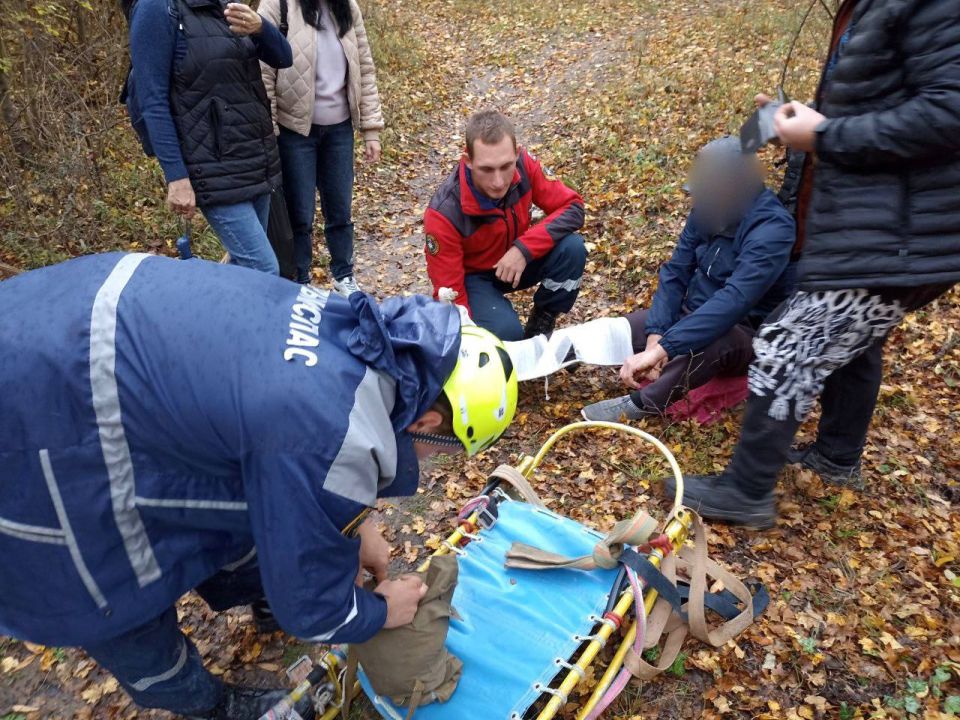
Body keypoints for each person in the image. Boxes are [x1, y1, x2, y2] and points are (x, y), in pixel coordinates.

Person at [0, 253, 517, 719]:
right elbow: (313, 608)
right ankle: (205, 703)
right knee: (105, 585)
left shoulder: (352, 327)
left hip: (56, 321)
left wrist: (361, 520)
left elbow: (280, 451)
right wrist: (380, 611)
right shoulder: (326, 434)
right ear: (428, 421)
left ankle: (256, 590)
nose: (432, 462)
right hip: (42, 428)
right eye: (444, 450)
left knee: (243, 495)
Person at [666, 0, 960, 529]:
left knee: (785, 340)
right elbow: (892, 101)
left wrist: (823, 134)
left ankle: (745, 490)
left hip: (905, 229)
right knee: (854, 342)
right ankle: (836, 457)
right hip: (882, 224)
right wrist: (797, 125)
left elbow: (948, 113)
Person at [582, 137, 796, 421]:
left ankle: (642, 403)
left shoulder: (772, 228)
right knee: (617, 329)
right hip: (693, 314)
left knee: (714, 341)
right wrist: (655, 337)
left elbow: (735, 301)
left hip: (746, 335)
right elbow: (676, 271)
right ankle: (531, 359)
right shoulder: (710, 210)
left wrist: (665, 348)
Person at [123, 0, 292, 274]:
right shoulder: (156, 9)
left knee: (242, 268)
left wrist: (261, 28)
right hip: (212, 166)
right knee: (262, 268)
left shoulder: (223, 5)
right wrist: (176, 177)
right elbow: (152, 101)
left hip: (254, 158)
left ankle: (212, 316)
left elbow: (283, 57)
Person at [424, 110, 587, 341]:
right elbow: (451, 299)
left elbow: (573, 207)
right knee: (506, 336)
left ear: (517, 154)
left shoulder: (524, 165)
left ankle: (543, 320)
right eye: (487, 170)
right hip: (473, 279)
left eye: (506, 166)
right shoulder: (444, 213)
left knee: (572, 249)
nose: (498, 181)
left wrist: (523, 249)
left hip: (516, 261)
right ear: (468, 161)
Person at [259, 0, 384, 294]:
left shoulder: (347, 7)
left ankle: (343, 275)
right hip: (295, 131)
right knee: (299, 213)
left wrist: (371, 130)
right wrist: (270, 129)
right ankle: (301, 280)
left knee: (340, 209)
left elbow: (364, 67)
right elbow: (262, 70)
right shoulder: (278, 5)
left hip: (340, 129)